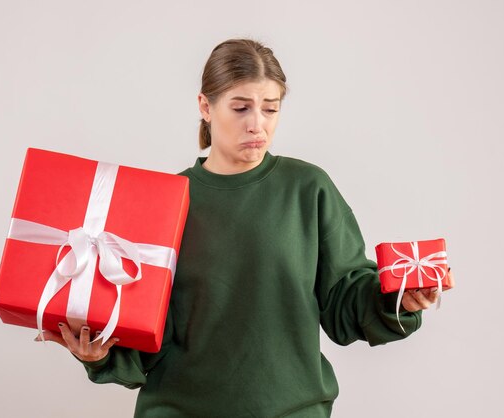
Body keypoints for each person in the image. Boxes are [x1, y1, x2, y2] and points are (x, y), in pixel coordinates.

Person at [38, 38, 455, 417]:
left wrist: (397, 299)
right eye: (241, 108)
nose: (258, 124)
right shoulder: (165, 202)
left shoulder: (308, 189)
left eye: (270, 108)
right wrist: (97, 353)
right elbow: (143, 333)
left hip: (291, 410)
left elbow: (345, 299)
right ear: (205, 106)